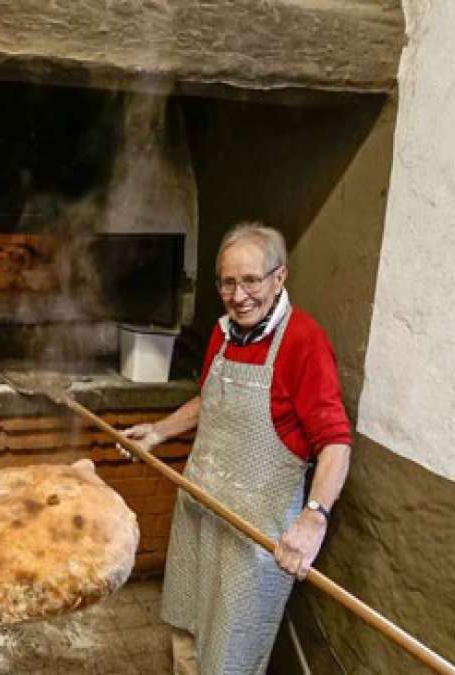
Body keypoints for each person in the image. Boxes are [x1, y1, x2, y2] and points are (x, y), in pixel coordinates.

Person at [122, 223, 352, 675]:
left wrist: (314, 518)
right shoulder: (223, 332)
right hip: (200, 510)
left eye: (251, 281)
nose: (239, 296)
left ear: (279, 277)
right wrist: (159, 431)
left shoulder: (303, 341)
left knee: (231, 651)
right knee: (187, 629)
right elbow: (210, 398)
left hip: (254, 533)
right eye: (228, 283)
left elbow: (335, 442)